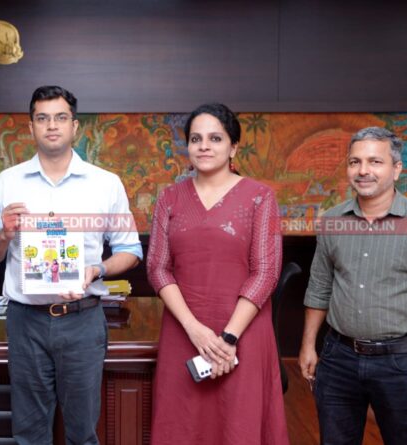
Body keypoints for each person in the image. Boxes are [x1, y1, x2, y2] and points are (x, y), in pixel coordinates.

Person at [0, 85, 143, 444]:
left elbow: (130, 250)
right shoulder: (7, 182)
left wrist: (96, 270)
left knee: (82, 433)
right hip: (26, 321)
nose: (52, 125)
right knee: (29, 434)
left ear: (75, 126)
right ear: (31, 127)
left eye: (60, 117)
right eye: (42, 118)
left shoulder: (105, 183)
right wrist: (4, 234)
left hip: (82, 319)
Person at [298, 127, 407, 445]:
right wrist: (307, 345)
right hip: (338, 358)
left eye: (375, 161)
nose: (363, 170)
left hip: (402, 362)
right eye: (355, 162)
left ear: (396, 169)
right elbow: (319, 286)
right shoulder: (332, 221)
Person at [146, 103, 289, 444]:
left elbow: (266, 272)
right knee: (181, 425)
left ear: (233, 147)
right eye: (196, 139)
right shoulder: (169, 198)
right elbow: (157, 267)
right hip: (183, 331)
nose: (204, 146)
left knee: (239, 425)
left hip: (243, 333)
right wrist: (194, 330)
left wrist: (227, 339)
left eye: (215, 138)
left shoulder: (260, 197)